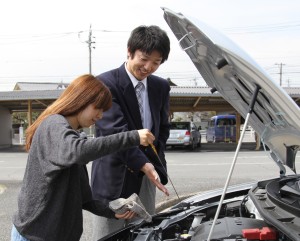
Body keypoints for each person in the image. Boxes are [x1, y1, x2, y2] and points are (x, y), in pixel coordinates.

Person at [11, 74, 155, 241]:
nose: (100, 116)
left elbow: (84, 198)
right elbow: (79, 151)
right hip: (34, 235)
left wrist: (112, 211)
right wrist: (133, 137)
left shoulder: (72, 137)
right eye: (98, 108)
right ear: (81, 100)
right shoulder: (53, 125)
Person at [91, 25, 171, 239]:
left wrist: (154, 160)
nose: (148, 67)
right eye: (144, 59)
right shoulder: (105, 83)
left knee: (144, 234)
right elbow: (113, 132)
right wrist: (143, 164)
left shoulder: (161, 87)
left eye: (156, 62)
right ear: (129, 51)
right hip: (113, 178)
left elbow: (162, 128)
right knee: (108, 236)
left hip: (147, 177)